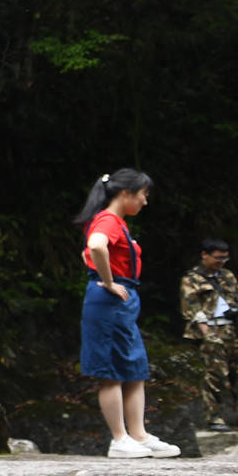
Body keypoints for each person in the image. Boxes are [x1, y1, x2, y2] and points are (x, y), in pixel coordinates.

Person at [76, 169, 177, 458]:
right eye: (143, 194)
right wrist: (108, 281)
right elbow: (96, 246)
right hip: (109, 300)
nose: (145, 201)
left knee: (134, 369)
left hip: (121, 302)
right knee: (112, 372)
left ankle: (139, 435)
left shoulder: (117, 222)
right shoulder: (107, 220)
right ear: (125, 193)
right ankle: (120, 439)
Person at [180, 239, 238, 429]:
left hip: (236, 329)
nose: (221, 261)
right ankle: (215, 417)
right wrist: (206, 333)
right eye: (218, 257)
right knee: (216, 375)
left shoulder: (228, 276)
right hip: (213, 329)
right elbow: (191, 309)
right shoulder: (192, 279)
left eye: (225, 258)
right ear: (205, 255)